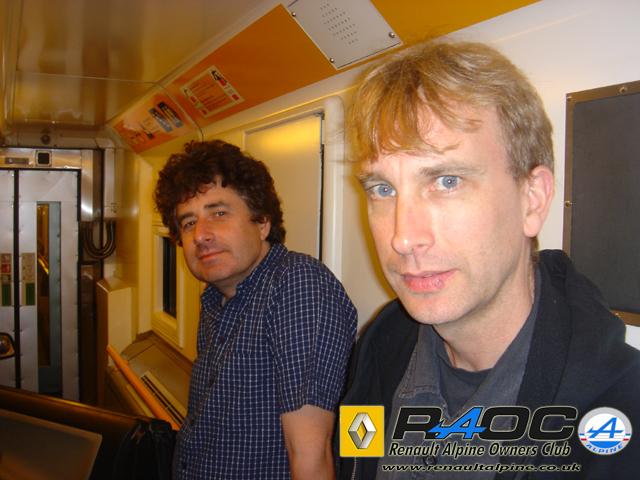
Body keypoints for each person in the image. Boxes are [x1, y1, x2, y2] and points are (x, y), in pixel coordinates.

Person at [338, 39, 640, 479]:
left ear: (532, 199)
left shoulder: (618, 417)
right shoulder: (381, 344)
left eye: (447, 181)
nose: (403, 238)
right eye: (383, 189)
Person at [154, 140, 357, 480]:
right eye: (188, 223)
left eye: (219, 213)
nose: (200, 235)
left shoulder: (296, 285)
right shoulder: (216, 299)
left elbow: (310, 454)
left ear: (262, 222)